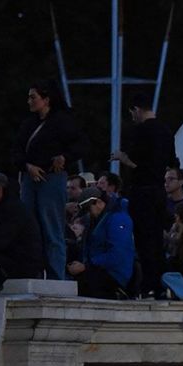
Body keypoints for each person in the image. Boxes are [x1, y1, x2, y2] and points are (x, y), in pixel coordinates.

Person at [12, 80, 85, 281]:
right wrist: (28, 166)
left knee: (52, 228)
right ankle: (33, 272)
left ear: (46, 99)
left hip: (52, 179)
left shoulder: (63, 121)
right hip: (30, 180)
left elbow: (79, 146)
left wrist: (64, 158)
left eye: (33, 97)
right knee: (30, 229)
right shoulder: (28, 124)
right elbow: (16, 151)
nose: (29, 101)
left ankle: (55, 276)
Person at [109, 91, 177, 296]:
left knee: (144, 239)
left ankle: (148, 285)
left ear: (136, 110)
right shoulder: (166, 131)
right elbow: (171, 161)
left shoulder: (141, 131)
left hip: (143, 192)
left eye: (132, 113)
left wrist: (122, 157)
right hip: (159, 192)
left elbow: (136, 162)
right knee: (157, 239)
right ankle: (160, 284)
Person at [67, 188, 134, 299]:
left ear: (99, 202)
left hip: (114, 275)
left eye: (89, 209)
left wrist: (86, 266)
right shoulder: (97, 220)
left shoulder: (118, 219)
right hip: (97, 269)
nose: (88, 214)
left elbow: (117, 254)